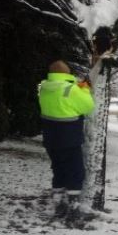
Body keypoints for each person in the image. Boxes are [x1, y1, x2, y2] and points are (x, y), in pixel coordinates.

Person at [38, 60, 95, 226]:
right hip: (69, 138)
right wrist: (84, 89)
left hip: (50, 138)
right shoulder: (72, 89)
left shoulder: (43, 87)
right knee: (76, 172)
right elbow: (88, 107)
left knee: (59, 170)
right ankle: (74, 209)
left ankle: (58, 205)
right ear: (67, 73)